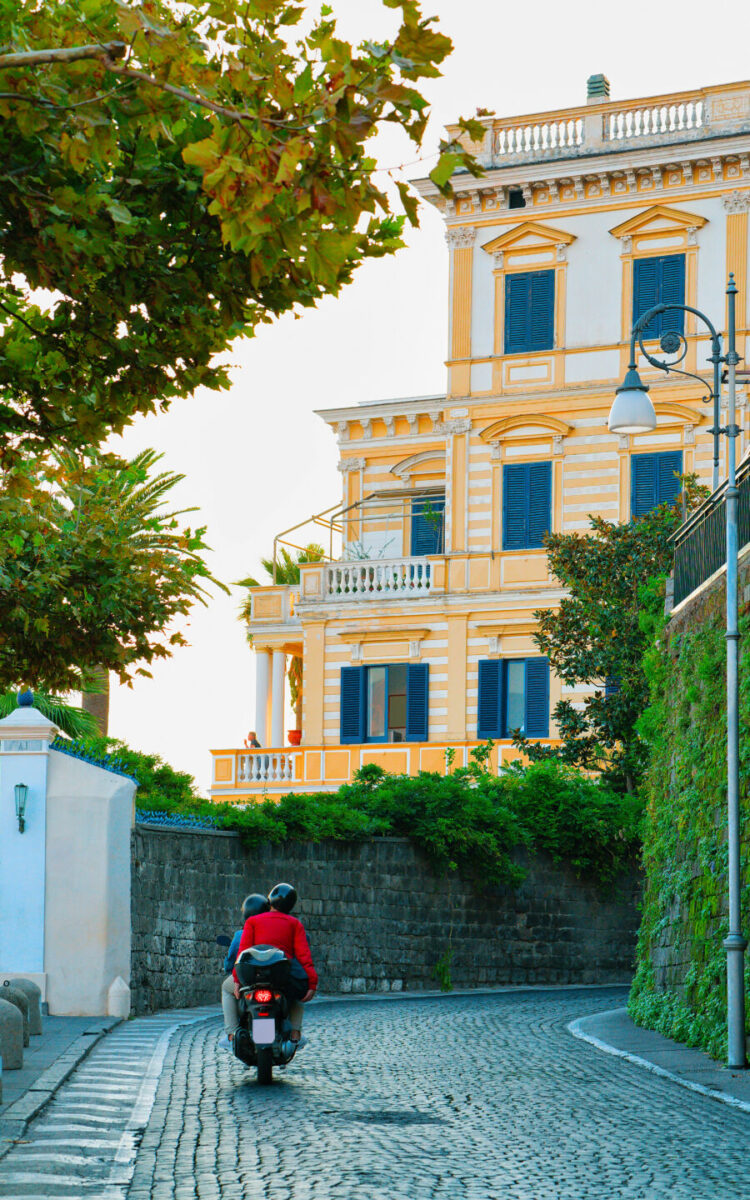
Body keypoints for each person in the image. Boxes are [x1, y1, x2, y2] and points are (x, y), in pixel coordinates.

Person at [233, 882, 317, 1051]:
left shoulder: (253, 921)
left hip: (254, 977)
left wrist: (237, 979)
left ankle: (232, 1032)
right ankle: (295, 1034)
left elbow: (243, 953)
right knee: (298, 994)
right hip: (281, 977)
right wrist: (312, 983)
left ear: (270, 899)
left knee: (227, 990)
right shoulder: (294, 924)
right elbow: (303, 957)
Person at [220, 893, 269, 1046]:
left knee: (226, 989)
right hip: (270, 977)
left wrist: (229, 968)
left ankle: (232, 1033)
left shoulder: (240, 935)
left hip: (247, 979)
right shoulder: (272, 930)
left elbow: (230, 962)